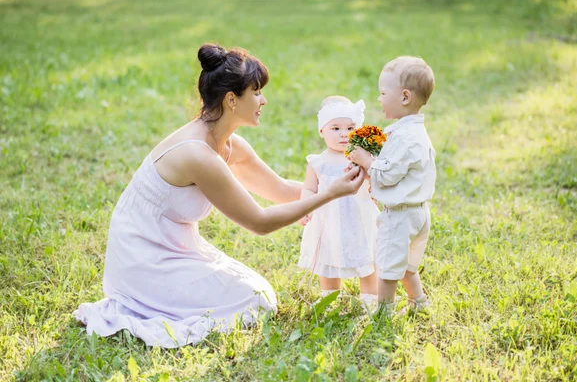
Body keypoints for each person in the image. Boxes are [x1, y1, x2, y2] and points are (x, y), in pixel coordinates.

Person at [73, 44, 365, 348]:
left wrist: (346, 180)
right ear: (231, 100)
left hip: (174, 249)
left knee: (258, 295)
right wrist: (330, 194)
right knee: (258, 302)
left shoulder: (227, 144)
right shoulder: (197, 154)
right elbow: (260, 222)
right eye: (256, 92)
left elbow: (279, 189)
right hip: (141, 261)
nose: (263, 100)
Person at [348, 56, 436, 314]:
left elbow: (386, 175)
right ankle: (419, 303)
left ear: (405, 97)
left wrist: (365, 160)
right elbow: (399, 173)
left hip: (400, 216)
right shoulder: (416, 132)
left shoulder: (404, 137)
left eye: (383, 93)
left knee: (387, 266)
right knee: (407, 264)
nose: (379, 98)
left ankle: (383, 313)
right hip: (418, 212)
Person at [298, 96, 379, 312]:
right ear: (322, 131)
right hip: (328, 219)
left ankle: (370, 298)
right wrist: (304, 207)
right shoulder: (317, 162)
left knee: (366, 254)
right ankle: (329, 296)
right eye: (335, 128)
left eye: (350, 127)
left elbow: (373, 179)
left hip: (358, 216)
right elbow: (309, 188)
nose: (344, 134)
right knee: (327, 254)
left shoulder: (359, 157)